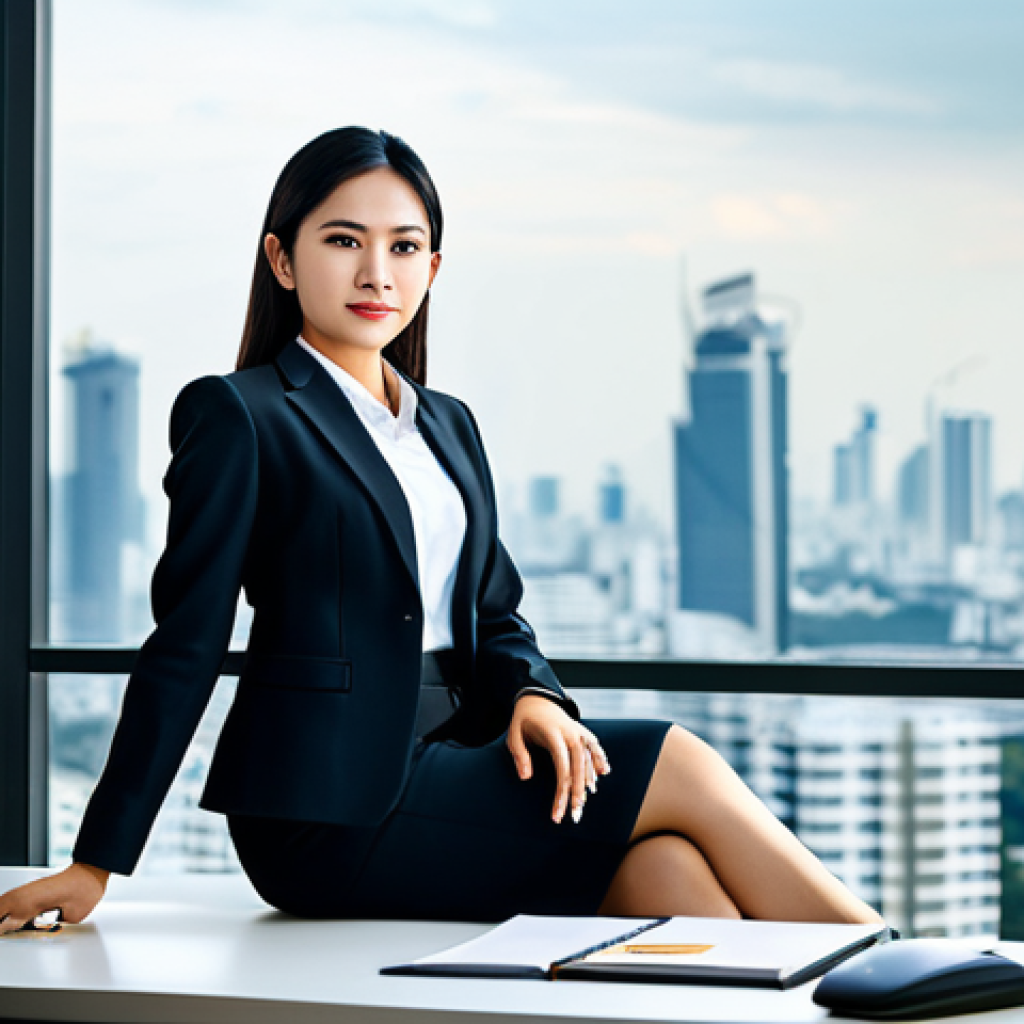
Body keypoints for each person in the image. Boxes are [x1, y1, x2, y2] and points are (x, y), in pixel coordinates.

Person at [0, 126, 882, 933]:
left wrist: (537, 696)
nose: (377, 273)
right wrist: (98, 860)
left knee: (671, 873)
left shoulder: (447, 426)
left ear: (433, 267)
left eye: (404, 246)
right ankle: (891, 963)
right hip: (325, 806)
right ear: (281, 259)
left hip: (461, 757)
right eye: (344, 241)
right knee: (675, 761)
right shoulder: (242, 414)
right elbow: (185, 642)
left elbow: (495, 613)